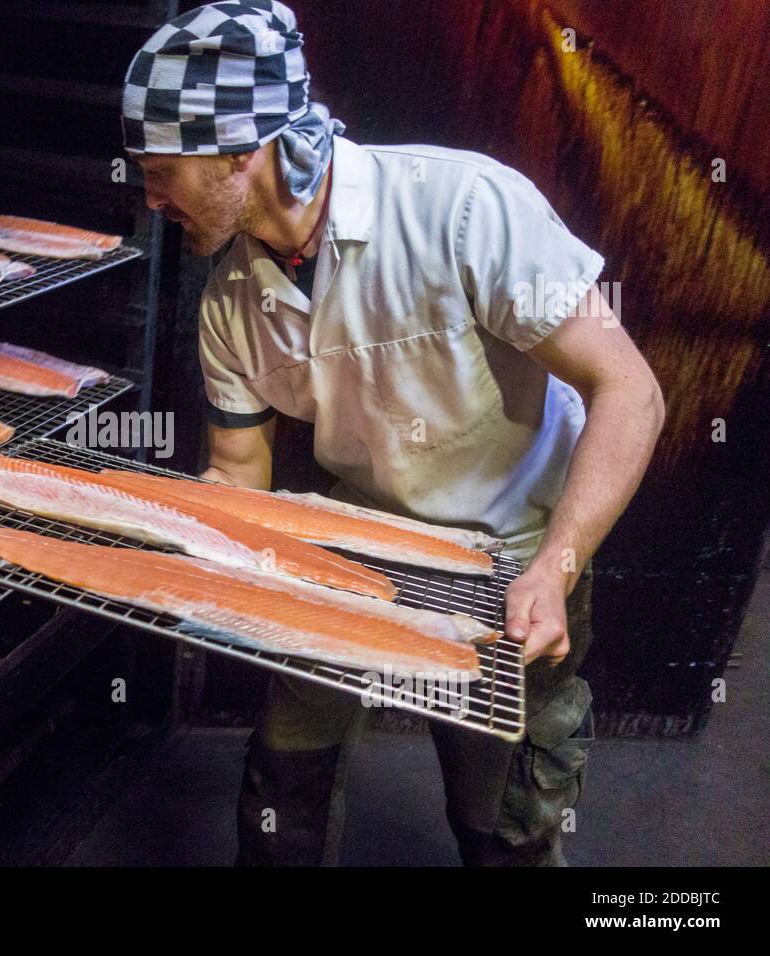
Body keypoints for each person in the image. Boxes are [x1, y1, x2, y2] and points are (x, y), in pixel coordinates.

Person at [121, 1, 664, 865]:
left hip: (514, 545)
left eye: (159, 172)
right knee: (279, 782)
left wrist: (557, 571)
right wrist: (169, 562)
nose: (149, 200)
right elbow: (236, 472)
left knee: (504, 817)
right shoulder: (229, 302)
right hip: (355, 540)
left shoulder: (462, 209)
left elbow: (631, 391)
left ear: (239, 151)